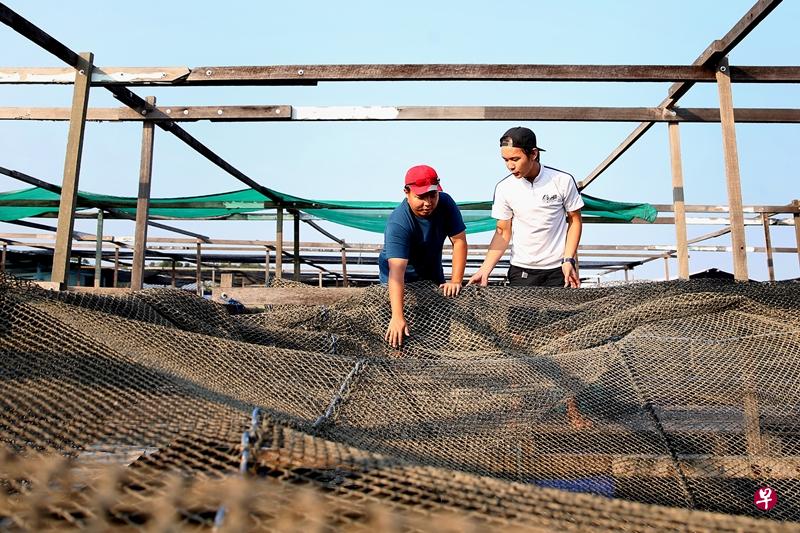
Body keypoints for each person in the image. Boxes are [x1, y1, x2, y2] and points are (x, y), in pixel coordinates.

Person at [468, 126, 583, 288]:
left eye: (515, 159)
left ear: (533, 154)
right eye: (505, 160)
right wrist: (485, 269)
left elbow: (575, 220)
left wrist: (568, 259)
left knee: (564, 314)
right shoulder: (504, 188)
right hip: (521, 270)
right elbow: (502, 231)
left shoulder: (562, 180)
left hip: (558, 270)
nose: (510, 166)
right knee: (520, 315)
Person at [379, 165, 467, 348]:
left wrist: (456, 280)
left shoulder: (446, 204)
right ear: (407, 192)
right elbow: (397, 272)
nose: (428, 203)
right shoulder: (398, 223)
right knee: (399, 339)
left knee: (439, 340)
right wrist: (397, 316)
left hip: (432, 275)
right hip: (399, 281)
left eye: (432, 195)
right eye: (420, 197)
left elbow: (459, 241)